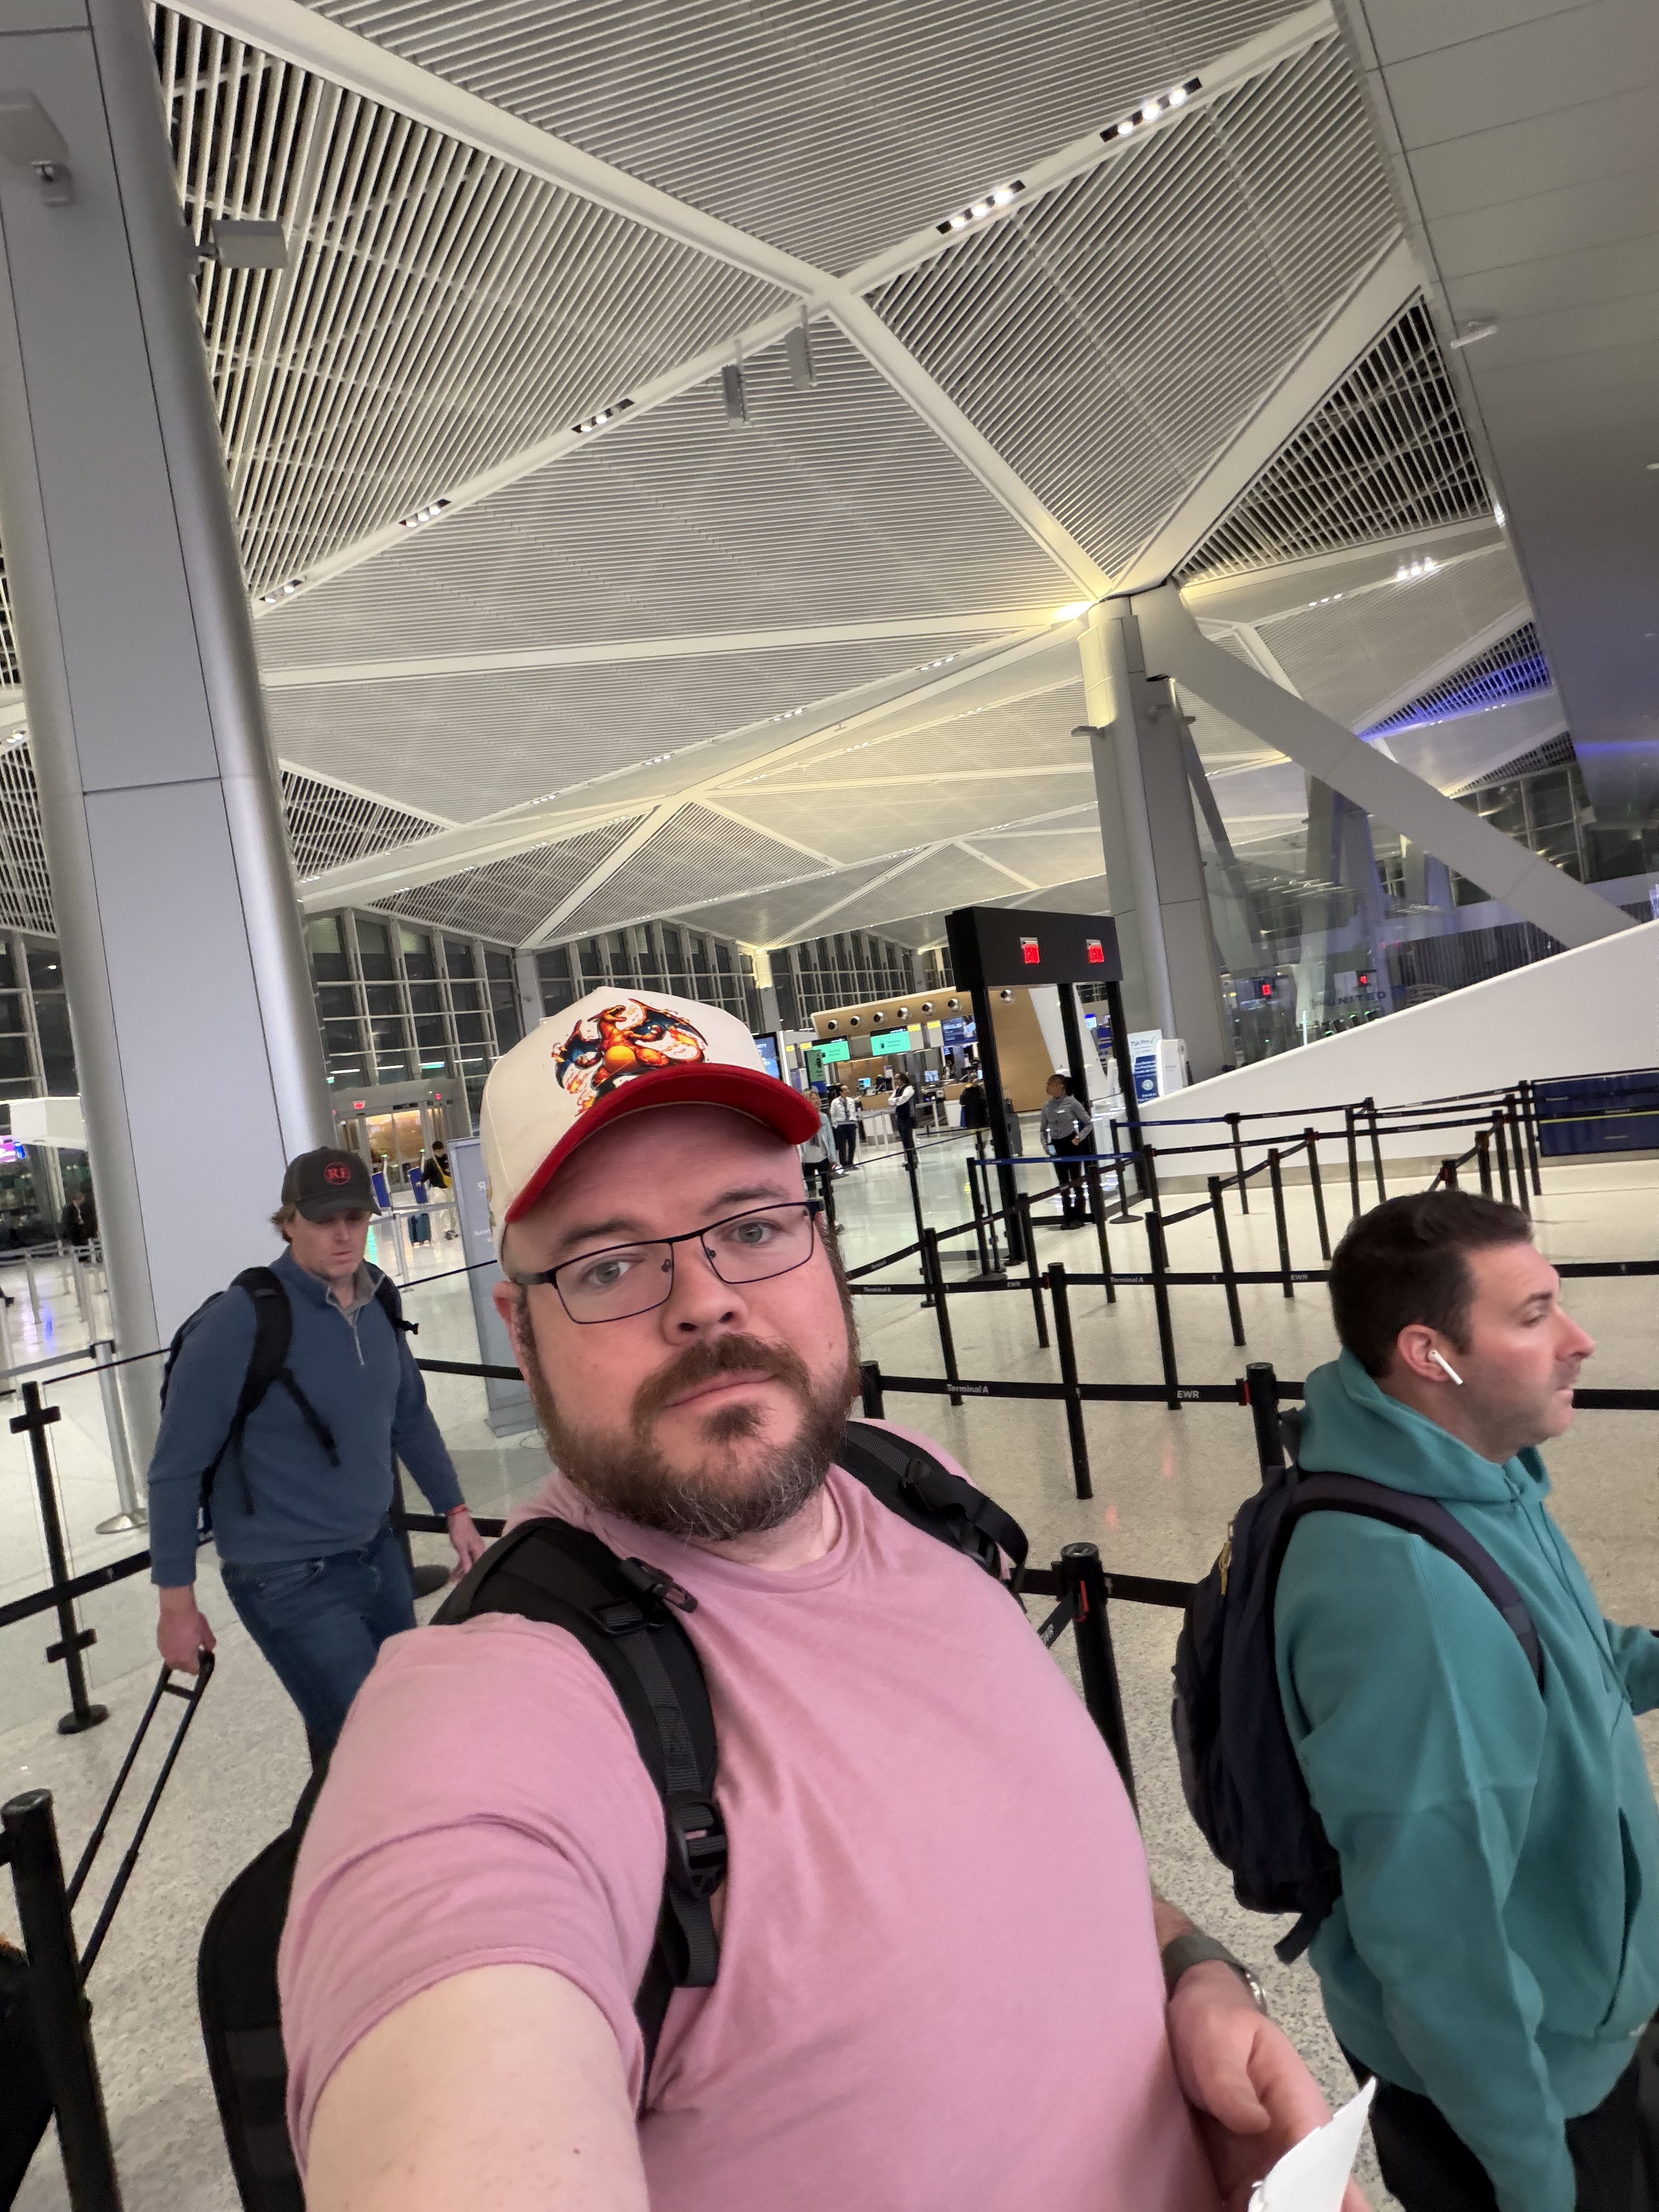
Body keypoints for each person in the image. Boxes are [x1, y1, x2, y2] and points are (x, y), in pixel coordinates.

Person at [280, 988, 1363, 2212]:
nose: (704, 1300)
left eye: (750, 1227)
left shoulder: (915, 1492)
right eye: (611, 1263)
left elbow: (1005, 1872)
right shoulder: (493, 1718)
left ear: (821, 1241)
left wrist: (1190, 1976)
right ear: (520, 1334)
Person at [1276, 1191, 1659, 2211]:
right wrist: (1534, 2179)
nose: (1577, 1339)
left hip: (1579, 2014)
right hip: (1514, 2094)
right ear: (1429, 1354)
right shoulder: (1404, 1599)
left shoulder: (1471, 1474)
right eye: (1533, 1315)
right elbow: (1442, 1953)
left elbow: (1562, 1660)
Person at [146, 1146, 488, 1750]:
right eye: (324, 1220)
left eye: (355, 1218)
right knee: (370, 1743)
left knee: (394, 1727)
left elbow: (409, 1415)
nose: (343, 1235)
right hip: (287, 1576)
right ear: (288, 1223)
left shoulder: (378, 1300)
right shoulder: (239, 1322)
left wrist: (454, 1509)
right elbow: (175, 1470)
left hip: (376, 1552)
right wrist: (177, 1605)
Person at [1040, 1072, 1093, 1229]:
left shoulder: (1072, 1103)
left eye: (1050, 1084)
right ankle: (1067, 1217)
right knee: (1063, 1184)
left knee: (1076, 1181)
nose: (1047, 1087)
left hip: (1071, 1144)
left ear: (1060, 1087)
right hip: (1056, 1146)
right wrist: (1046, 1145)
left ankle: (1080, 1217)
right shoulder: (1046, 1107)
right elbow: (1043, 1129)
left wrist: (1079, 1138)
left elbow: (1088, 1123)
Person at [828, 1083, 859, 1171]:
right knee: (842, 1145)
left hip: (851, 1124)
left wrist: (855, 1122)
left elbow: (853, 1113)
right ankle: (844, 1163)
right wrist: (836, 1126)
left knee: (852, 1143)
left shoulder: (851, 1101)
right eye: (845, 1090)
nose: (848, 1091)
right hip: (841, 1125)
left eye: (848, 1089)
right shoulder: (835, 1102)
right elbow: (833, 1114)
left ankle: (851, 1162)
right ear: (841, 1092)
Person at [891, 1069, 919, 1159]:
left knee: (909, 1139)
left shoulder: (909, 1089)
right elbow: (890, 1101)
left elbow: (904, 1099)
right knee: (904, 1139)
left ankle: (912, 1159)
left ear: (903, 1079)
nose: (896, 1081)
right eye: (895, 1079)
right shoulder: (897, 1090)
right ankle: (909, 1158)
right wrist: (897, 1101)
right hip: (900, 1117)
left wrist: (896, 1101)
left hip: (908, 1117)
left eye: (898, 1079)